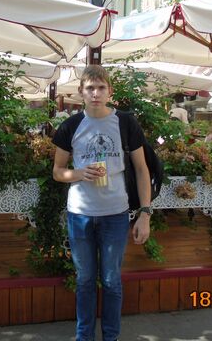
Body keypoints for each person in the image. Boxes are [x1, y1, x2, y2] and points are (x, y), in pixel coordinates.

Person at [52, 65, 151, 341]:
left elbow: (142, 169)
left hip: (115, 213)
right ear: (81, 92)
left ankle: (111, 337)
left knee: (110, 280)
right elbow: (57, 171)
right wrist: (79, 173)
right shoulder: (70, 126)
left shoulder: (126, 122)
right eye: (90, 88)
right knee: (84, 280)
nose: (95, 93)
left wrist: (145, 213)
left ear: (110, 91)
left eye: (101, 88)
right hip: (80, 214)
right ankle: (84, 337)